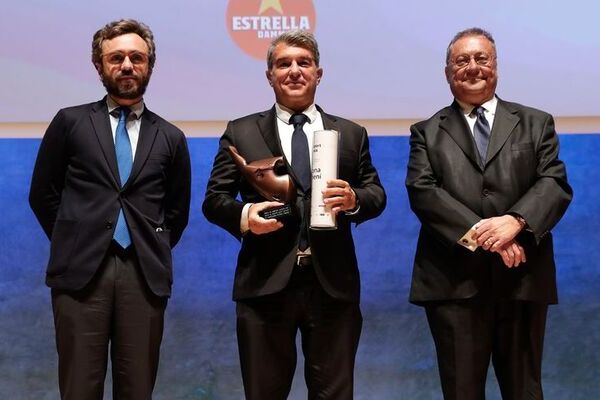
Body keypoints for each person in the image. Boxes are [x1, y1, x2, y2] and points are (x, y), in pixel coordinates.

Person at [203, 30, 386, 399]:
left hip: (332, 285)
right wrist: (246, 215)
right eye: (283, 64)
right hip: (264, 284)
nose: (294, 71)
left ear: (319, 73)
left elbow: (376, 194)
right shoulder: (240, 131)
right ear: (269, 75)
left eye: (304, 63)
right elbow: (214, 199)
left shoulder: (350, 133)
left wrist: (353, 200)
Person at [405, 27, 572, 400]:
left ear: (496, 66)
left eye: (482, 58)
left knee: (525, 391)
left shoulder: (535, 122)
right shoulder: (426, 132)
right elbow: (423, 191)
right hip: (453, 285)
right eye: (462, 60)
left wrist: (516, 222)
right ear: (447, 71)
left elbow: (554, 183)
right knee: (461, 392)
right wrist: (488, 236)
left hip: (522, 278)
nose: (473, 67)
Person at [29, 19, 191, 399]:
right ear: (99, 65)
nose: (127, 66)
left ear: (150, 65)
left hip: (144, 275)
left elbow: (176, 211)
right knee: (79, 387)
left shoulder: (170, 136)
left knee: (137, 389)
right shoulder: (69, 122)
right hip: (80, 274)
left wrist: (150, 245)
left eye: (137, 57)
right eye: (116, 57)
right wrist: (74, 238)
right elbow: (42, 193)